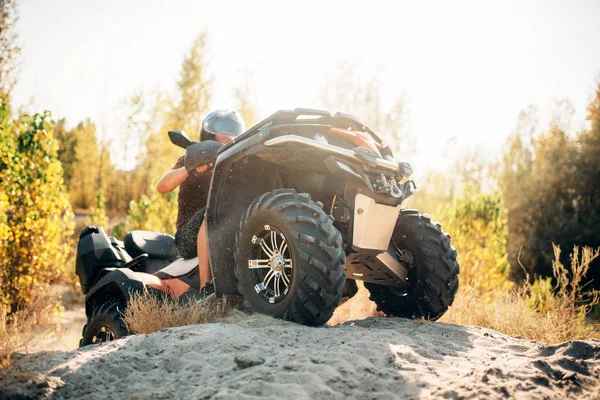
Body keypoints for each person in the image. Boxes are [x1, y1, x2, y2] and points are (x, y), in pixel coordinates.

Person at [155, 110, 245, 297]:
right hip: (187, 238)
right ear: (209, 137)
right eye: (224, 136)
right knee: (214, 208)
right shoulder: (192, 160)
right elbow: (162, 186)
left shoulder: (235, 167)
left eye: (232, 136)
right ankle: (207, 288)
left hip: (222, 229)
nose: (229, 139)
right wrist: (192, 166)